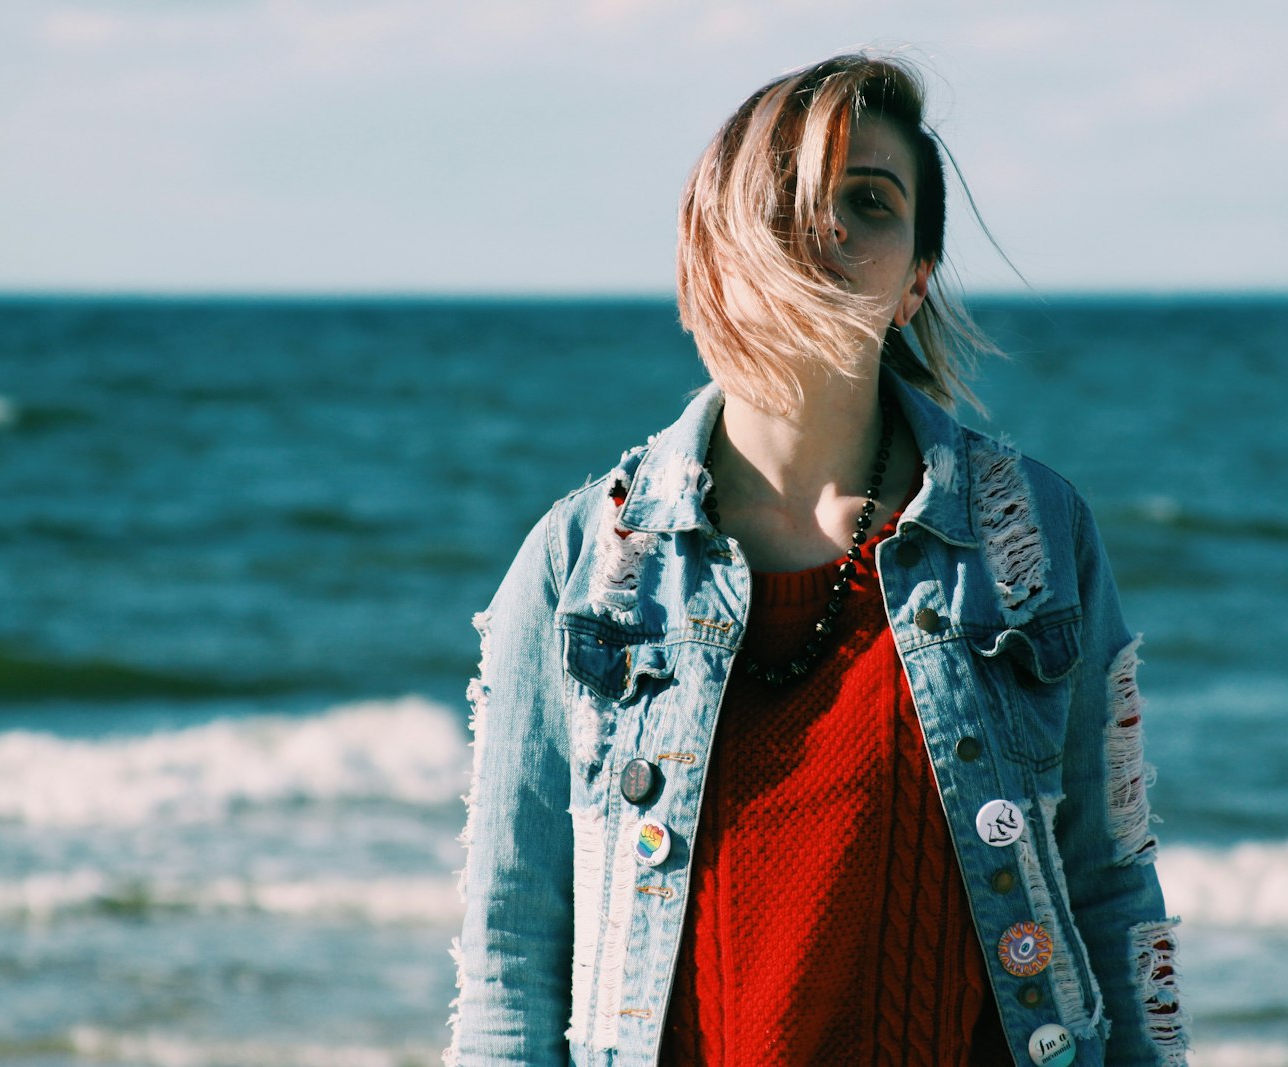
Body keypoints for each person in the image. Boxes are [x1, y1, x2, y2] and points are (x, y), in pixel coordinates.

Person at [444, 52, 1187, 1067]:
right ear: (715, 239)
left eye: (869, 201)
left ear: (914, 281)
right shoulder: (579, 568)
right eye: (787, 192)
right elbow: (510, 961)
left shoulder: (1035, 537)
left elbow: (1111, 893)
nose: (826, 224)